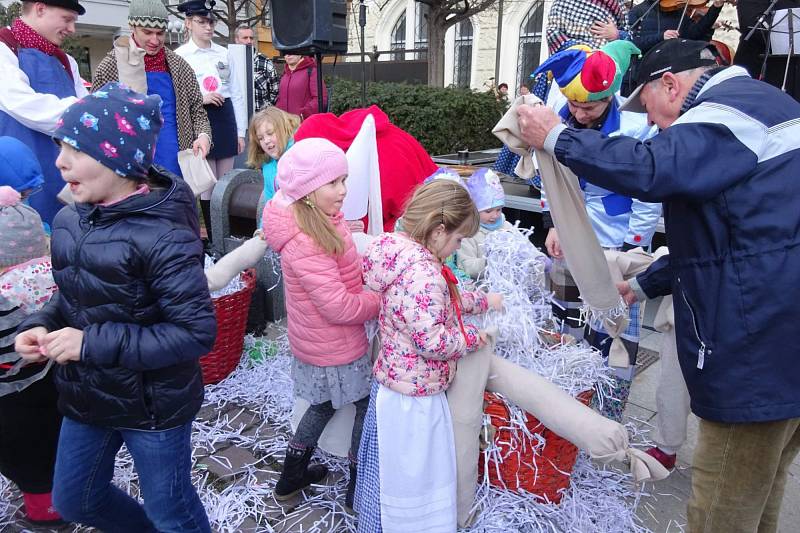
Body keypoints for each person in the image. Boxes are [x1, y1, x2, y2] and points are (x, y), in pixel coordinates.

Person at [517, 38, 800, 533]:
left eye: (649, 109)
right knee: (762, 488)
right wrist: (645, 285)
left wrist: (556, 137)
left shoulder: (723, 116)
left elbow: (649, 169)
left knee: (722, 507)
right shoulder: (775, 105)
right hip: (783, 339)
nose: (651, 125)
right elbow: (735, 239)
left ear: (670, 84)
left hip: (757, 352)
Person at [15, 83, 216, 531]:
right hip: (88, 395)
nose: (60, 162)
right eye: (59, 148)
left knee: (172, 510)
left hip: (153, 407)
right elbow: (73, 294)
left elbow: (194, 332)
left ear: (119, 159)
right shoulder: (70, 219)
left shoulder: (162, 233)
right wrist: (42, 323)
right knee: (74, 500)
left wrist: (89, 343)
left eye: (75, 150)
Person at [355, 179, 503, 532]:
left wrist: (483, 301)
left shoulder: (400, 252)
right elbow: (432, 340)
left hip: (393, 383)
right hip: (415, 395)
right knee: (412, 471)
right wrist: (471, 339)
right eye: (458, 239)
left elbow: (440, 305)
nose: (458, 245)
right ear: (439, 231)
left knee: (388, 468)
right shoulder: (424, 273)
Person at [532, 40, 661, 421]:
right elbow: (547, 175)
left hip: (616, 241)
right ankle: (568, 409)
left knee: (616, 330)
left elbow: (648, 195)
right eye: (573, 104)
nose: (578, 113)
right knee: (567, 324)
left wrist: (631, 250)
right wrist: (552, 223)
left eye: (587, 107)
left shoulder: (638, 128)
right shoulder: (557, 117)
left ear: (609, 99)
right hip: (569, 240)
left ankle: (606, 419)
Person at [258, 138, 380, 508]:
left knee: (323, 406)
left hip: (320, 342)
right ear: (308, 191)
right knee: (364, 405)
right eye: (334, 183)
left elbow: (340, 261)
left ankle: (290, 479)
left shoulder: (317, 217)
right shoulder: (306, 239)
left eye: (345, 180)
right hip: (336, 344)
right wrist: (378, 298)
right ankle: (358, 486)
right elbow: (338, 306)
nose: (344, 190)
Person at [91, 0, 212, 178]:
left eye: (160, 33)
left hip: (174, 156)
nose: (155, 40)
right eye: (147, 32)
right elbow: (96, 116)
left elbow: (197, 110)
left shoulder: (179, 66)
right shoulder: (111, 66)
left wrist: (204, 136)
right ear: (132, 26)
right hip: (128, 159)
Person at [0, 183, 60, 526]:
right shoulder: (53, 275)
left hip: (11, 395)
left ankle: (47, 513)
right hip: (56, 379)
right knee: (54, 440)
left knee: (27, 455)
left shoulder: (3, 294)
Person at [0, 0, 88, 228]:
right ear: (40, 9)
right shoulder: (3, 48)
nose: (72, 29)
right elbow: (22, 103)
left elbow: (86, 109)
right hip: (20, 182)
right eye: (67, 19)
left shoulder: (66, 61)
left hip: (66, 175)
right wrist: (87, 111)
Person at [176, 0, 247, 241]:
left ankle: (227, 237)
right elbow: (177, 96)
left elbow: (236, 93)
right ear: (188, 23)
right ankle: (215, 241)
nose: (208, 27)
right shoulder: (179, 56)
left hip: (225, 117)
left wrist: (241, 132)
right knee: (206, 183)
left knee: (225, 183)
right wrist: (201, 98)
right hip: (200, 117)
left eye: (211, 22)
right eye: (201, 21)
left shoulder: (224, 53)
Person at [624, 0, 725, 94]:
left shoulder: (678, 11)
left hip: (670, 73)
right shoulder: (638, 11)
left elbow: (694, 36)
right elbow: (632, 43)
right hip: (641, 75)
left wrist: (715, 8)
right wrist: (661, 37)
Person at [457, 168, 515, 280]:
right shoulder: (468, 234)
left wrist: (538, 257)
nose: (495, 215)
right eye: (488, 211)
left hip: (509, 288)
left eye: (498, 209)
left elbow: (524, 246)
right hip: (482, 290)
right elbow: (465, 266)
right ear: (474, 210)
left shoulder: (506, 226)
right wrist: (490, 262)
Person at [246, 106, 299, 204]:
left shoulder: (299, 157)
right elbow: (269, 204)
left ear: (284, 129)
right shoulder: (268, 167)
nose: (266, 141)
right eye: (261, 138)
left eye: (270, 133)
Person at [546, 0, 631, 54]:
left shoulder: (618, 4)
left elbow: (631, 39)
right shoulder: (562, 3)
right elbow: (552, 31)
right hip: (570, 66)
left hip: (605, 65)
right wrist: (579, 49)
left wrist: (617, 34)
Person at [234, 24, 279, 111]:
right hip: (237, 115)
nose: (249, 41)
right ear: (236, 40)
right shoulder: (229, 60)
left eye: (251, 38)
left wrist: (265, 110)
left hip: (259, 117)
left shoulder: (265, 62)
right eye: (245, 38)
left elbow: (275, 90)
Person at [276, 54, 328, 120]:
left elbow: (320, 99)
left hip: (304, 125)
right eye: (285, 52)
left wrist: (302, 115)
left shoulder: (312, 71)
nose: (288, 55)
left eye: (293, 51)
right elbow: (280, 99)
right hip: (285, 126)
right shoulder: (285, 74)